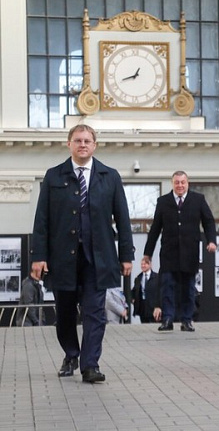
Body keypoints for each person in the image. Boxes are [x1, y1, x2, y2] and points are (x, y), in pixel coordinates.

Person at [30, 124, 134, 383]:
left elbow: (122, 219)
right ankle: (71, 353)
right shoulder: (54, 177)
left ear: (95, 145)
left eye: (87, 140)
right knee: (65, 313)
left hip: (97, 260)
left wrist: (126, 255)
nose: (83, 144)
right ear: (69, 144)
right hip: (63, 259)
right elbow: (42, 220)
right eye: (78, 140)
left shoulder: (109, 177)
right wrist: (38, 256)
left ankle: (90, 365)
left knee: (94, 313)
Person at [144, 171, 216, 333]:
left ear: (187, 183)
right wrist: (147, 253)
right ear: (172, 184)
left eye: (183, 182)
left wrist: (211, 241)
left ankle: (187, 320)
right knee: (167, 287)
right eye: (177, 182)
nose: (180, 185)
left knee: (188, 289)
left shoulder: (198, 200)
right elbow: (155, 229)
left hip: (189, 254)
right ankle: (167, 319)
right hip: (169, 254)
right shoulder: (163, 202)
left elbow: (209, 221)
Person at [131, 256, 161, 323]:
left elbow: (159, 291)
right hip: (142, 306)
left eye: (145, 264)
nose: (143, 266)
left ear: (150, 264)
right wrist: (132, 299)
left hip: (152, 306)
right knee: (144, 323)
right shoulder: (138, 278)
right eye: (142, 264)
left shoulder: (157, 277)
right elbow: (134, 290)